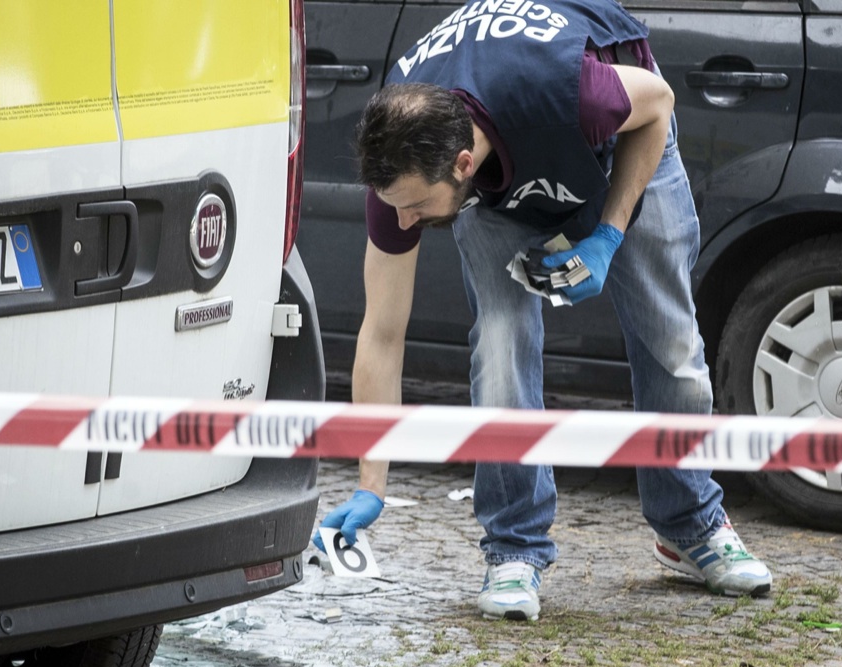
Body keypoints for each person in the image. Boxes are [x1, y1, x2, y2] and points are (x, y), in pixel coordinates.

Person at [315, 0, 772, 621]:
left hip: (625, 136)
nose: (403, 221)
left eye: (415, 206)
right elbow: (381, 333)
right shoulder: (400, 172)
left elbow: (657, 103)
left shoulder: (569, 92)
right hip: (502, 179)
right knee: (500, 343)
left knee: (669, 339)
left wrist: (609, 236)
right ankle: (513, 550)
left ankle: (690, 525)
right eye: (395, 205)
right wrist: (371, 482)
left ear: (462, 164)